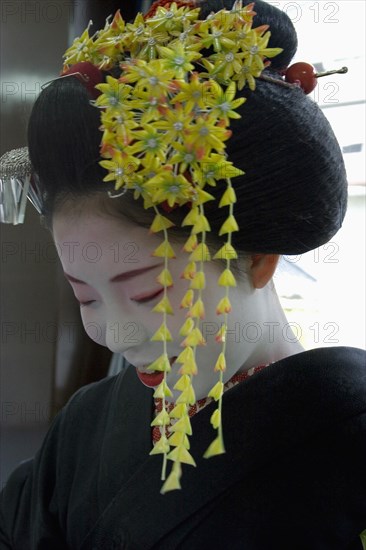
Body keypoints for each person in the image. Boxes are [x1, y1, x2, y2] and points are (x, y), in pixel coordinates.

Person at [1, 0, 365, 548]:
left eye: (148, 291)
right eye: (87, 297)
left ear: (258, 257)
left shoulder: (350, 442)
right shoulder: (86, 422)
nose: (117, 336)